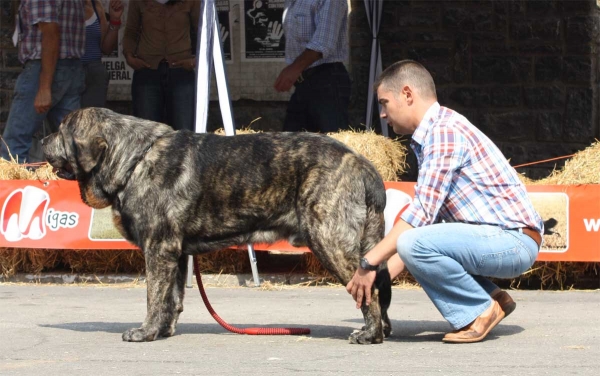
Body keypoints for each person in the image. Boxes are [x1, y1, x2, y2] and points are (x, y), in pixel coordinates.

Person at [346, 60, 544, 343]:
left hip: (512, 242)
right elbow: (429, 225)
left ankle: (479, 311)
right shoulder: (435, 132)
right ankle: (491, 297)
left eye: (384, 103)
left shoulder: (444, 133)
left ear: (407, 94)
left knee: (412, 242)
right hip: (503, 238)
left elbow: (420, 216)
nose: (383, 114)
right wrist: (383, 277)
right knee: (414, 243)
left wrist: (368, 264)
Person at [1, 0, 85, 163]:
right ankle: (78, 187)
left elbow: (51, 32)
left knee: (14, 143)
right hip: (71, 68)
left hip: (43, 68)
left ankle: (14, 188)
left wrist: (45, 87)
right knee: (73, 145)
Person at [273, 0, 351, 133]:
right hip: (303, 82)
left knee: (332, 143)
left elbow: (323, 43)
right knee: (292, 145)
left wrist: (293, 69)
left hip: (327, 80)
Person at [122, 0, 200, 132]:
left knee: (185, 132)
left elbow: (202, 30)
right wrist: (129, 56)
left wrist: (194, 61)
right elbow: (131, 30)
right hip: (147, 71)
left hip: (181, 72)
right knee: (146, 132)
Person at [80, 0, 124, 108]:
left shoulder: (96, 6)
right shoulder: (62, 6)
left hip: (94, 73)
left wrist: (115, 20)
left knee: (93, 121)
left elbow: (106, 48)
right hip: (69, 69)